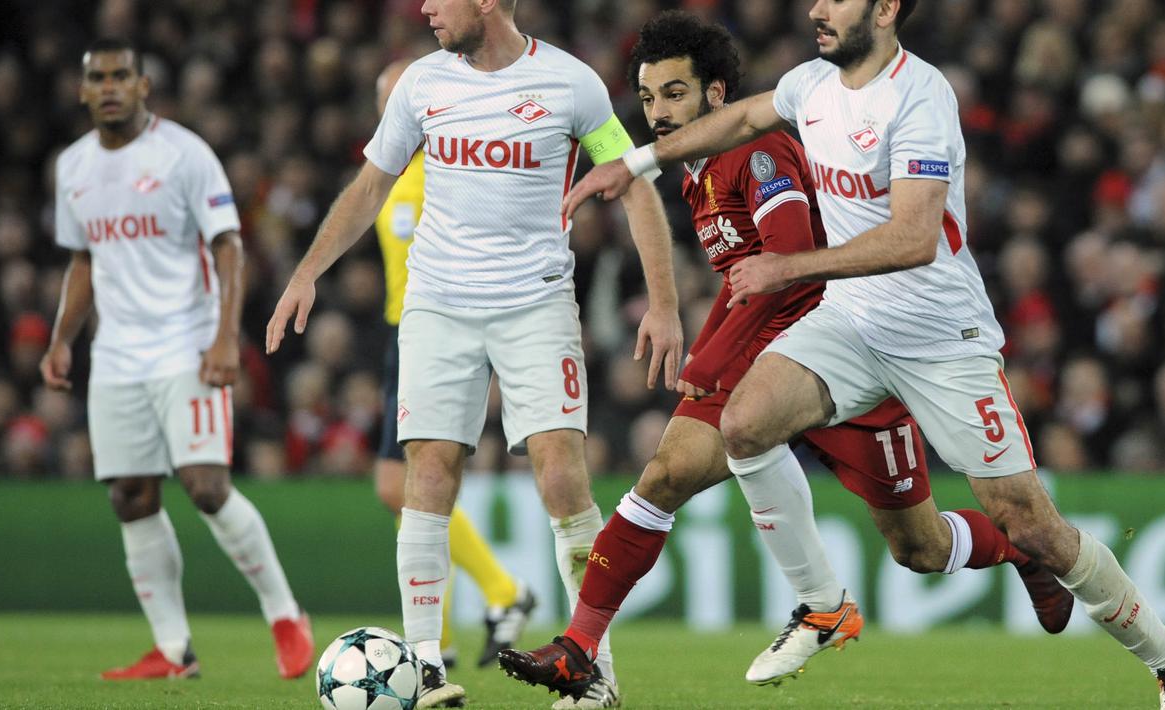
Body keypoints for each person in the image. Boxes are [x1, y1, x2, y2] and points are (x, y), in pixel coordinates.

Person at [565, 1, 1165, 708]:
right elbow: (745, 116)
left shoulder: (920, 97)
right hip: (848, 324)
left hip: (939, 339)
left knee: (1027, 523)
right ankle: (821, 604)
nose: (816, 9)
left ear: (883, 8)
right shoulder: (810, 82)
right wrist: (636, 160)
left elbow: (912, 240)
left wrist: (786, 267)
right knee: (744, 423)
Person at [266, 1, 683, 706]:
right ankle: (425, 666)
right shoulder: (420, 83)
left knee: (561, 479)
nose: (425, 7)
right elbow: (371, 185)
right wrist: (306, 272)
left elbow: (634, 185)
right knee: (425, 476)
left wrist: (665, 304)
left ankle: (591, 669)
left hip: (536, 304)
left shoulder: (570, 83)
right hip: (436, 306)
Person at [40, 38, 313, 681]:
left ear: (142, 87)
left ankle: (284, 614)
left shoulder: (184, 154)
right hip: (115, 356)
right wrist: (61, 337)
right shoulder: (73, 166)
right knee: (132, 496)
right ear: (83, 91)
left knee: (206, 486)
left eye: (121, 76)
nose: (109, 86)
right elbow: (84, 259)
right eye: (97, 78)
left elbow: (229, 247)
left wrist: (224, 338)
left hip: (184, 342)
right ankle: (172, 650)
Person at [371, 60, 536, 670]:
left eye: (401, 103)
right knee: (409, 488)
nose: (397, 115)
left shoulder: (452, 167)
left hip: (440, 333)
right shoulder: (392, 174)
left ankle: (496, 596)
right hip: (401, 333)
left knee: (404, 486)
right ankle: (444, 632)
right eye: (385, 104)